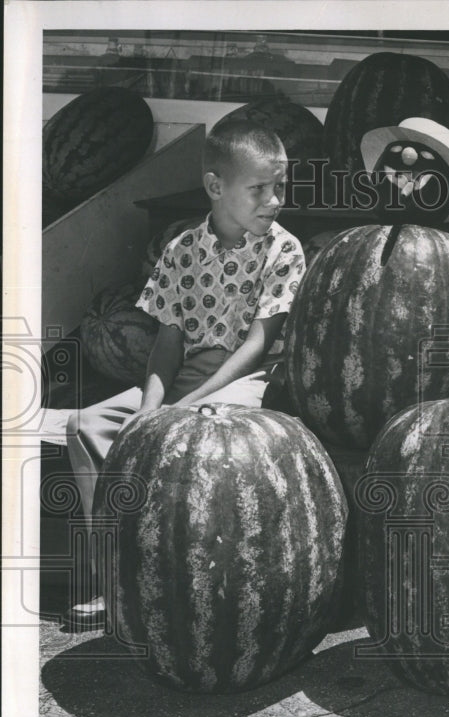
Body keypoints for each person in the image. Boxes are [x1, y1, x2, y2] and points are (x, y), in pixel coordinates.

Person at [63, 120, 306, 631]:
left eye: (279, 186)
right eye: (259, 188)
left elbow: (258, 344)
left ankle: (188, 588)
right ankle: (114, 582)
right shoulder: (181, 251)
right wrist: (153, 408)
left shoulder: (284, 251)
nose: (274, 200)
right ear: (217, 187)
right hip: (185, 380)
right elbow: (167, 343)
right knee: (85, 426)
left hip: (252, 382)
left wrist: (182, 408)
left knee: (191, 434)